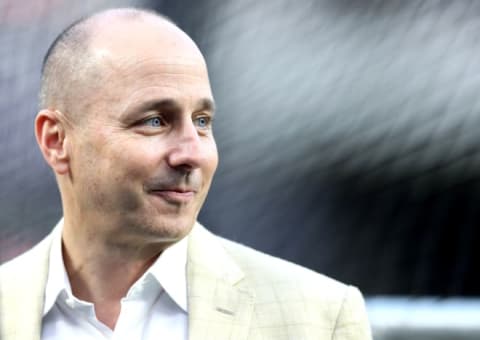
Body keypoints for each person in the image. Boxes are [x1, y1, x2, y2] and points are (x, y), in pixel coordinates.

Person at [0, 7, 371, 340]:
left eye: (202, 121)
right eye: (155, 121)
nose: (193, 153)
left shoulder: (320, 320)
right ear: (57, 140)